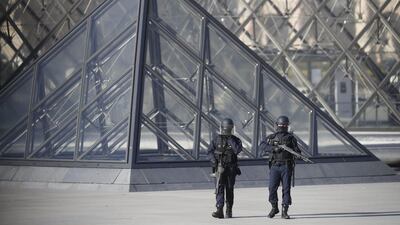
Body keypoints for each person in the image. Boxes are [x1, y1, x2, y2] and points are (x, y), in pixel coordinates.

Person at [259, 115, 301, 219]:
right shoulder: (271, 137)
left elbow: (297, 151)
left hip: (286, 166)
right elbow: (262, 146)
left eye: (283, 125)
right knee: (272, 188)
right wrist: (274, 148)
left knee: (286, 189)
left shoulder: (291, 138)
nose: (282, 126)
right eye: (281, 124)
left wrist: (297, 154)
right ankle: (274, 207)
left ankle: (284, 210)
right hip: (274, 166)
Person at [208, 118, 242, 219]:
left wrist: (229, 138)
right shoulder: (216, 139)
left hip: (231, 168)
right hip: (219, 167)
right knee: (219, 188)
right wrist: (213, 160)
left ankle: (229, 210)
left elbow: (237, 150)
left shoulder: (236, 140)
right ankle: (219, 209)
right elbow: (209, 151)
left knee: (229, 189)